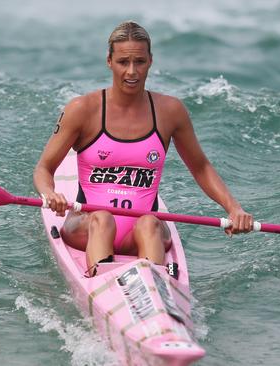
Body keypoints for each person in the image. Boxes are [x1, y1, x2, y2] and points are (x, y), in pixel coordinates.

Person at [34, 21, 253, 276]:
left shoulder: (170, 111)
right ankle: (101, 280)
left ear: (150, 61)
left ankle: (156, 290)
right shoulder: (83, 109)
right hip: (87, 226)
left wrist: (234, 208)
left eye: (139, 61)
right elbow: (44, 168)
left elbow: (201, 167)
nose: (131, 71)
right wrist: (50, 194)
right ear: (109, 61)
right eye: (123, 62)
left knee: (150, 223)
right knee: (103, 218)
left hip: (141, 232)